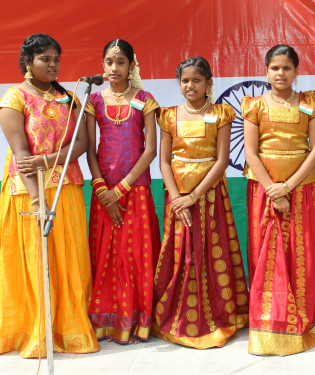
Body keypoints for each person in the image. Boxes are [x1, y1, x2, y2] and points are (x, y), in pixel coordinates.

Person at [0, 34, 100, 357]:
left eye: (56, 59)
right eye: (45, 59)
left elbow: (82, 143)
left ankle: (68, 328)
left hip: (66, 189)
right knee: (36, 261)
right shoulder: (14, 98)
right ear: (28, 62)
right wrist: (37, 201)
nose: (53, 65)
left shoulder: (68, 98)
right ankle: (36, 331)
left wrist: (48, 160)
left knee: (69, 262)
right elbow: (21, 154)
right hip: (29, 192)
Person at [152, 57, 249, 348]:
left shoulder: (221, 113)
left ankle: (217, 314)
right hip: (177, 195)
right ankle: (178, 316)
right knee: (181, 253)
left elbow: (222, 161)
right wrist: (177, 198)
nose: (190, 85)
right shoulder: (168, 116)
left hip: (210, 194)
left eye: (197, 80)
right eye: (185, 80)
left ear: (209, 83)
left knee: (211, 251)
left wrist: (194, 196)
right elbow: (164, 161)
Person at [242, 44, 315, 356]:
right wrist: (273, 189)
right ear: (266, 71)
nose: (281, 73)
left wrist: (288, 187)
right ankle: (269, 319)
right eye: (275, 68)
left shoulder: (310, 102)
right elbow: (250, 153)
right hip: (264, 191)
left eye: (287, 68)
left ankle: (304, 317)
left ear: (296, 71)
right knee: (267, 254)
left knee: (302, 252)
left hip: (303, 189)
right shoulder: (254, 105)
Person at [85, 39, 161, 344]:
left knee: (135, 258)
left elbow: (150, 150)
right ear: (102, 65)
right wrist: (103, 189)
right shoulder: (94, 100)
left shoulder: (145, 99)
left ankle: (137, 320)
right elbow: (89, 150)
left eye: (120, 62)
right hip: (104, 191)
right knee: (107, 256)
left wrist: (122, 189)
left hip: (136, 189)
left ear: (132, 66)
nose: (113, 68)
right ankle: (106, 319)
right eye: (109, 62)